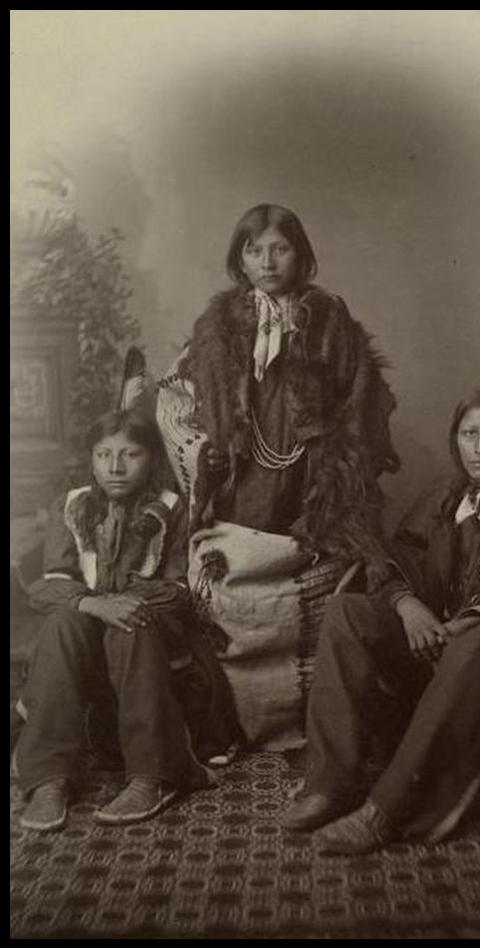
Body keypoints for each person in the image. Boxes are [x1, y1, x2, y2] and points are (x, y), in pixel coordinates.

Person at [281, 381, 480, 854]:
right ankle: (328, 783)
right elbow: (392, 563)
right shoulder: (442, 498)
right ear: (456, 438)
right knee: (348, 611)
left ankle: (386, 810)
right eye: (469, 433)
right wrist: (408, 605)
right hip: (440, 649)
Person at [155, 203, 401, 750]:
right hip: (241, 484)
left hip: (311, 484)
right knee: (238, 592)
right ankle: (239, 722)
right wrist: (201, 451)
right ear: (239, 260)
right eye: (254, 249)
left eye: (280, 248)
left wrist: (344, 460)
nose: (268, 260)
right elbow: (173, 399)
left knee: (319, 589)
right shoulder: (217, 328)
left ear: (303, 256)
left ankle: (312, 726)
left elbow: (364, 396)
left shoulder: (331, 319)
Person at [13, 410, 214, 831]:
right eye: (104, 454)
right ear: (91, 460)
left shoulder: (174, 508)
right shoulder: (72, 507)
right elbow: (48, 587)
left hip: (153, 629)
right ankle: (48, 777)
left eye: (130, 454)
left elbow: (180, 588)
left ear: (151, 458)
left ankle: (152, 776)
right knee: (62, 624)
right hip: (88, 624)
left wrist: (123, 603)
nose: (116, 467)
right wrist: (94, 604)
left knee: (129, 626)